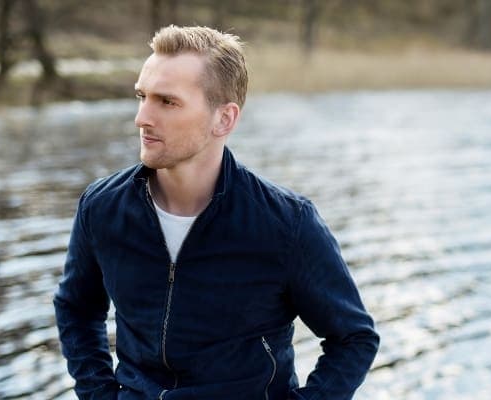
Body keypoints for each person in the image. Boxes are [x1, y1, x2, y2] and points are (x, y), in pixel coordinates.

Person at [53, 25, 379, 400]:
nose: (142, 118)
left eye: (167, 102)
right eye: (142, 96)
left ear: (224, 119)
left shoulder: (286, 225)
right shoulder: (102, 208)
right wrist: (99, 395)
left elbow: (353, 338)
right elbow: (76, 307)